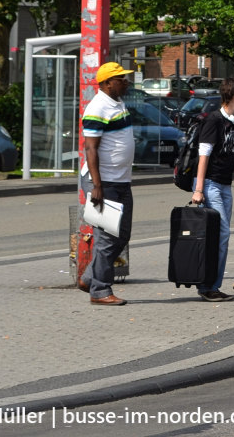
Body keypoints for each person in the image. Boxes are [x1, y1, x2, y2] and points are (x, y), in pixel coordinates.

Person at [189, 78, 234, 302]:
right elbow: (203, 155)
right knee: (222, 233)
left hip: (225, 185)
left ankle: (212, 286)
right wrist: (198, 189)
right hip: (210, 184)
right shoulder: (214, 120)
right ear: (232, 94)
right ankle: (207, 286)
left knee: (221, 235)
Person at [81, 62, 136, 306]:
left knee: (122, 235)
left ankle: (90, 278)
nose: (125, 81)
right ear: (106, 83)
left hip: (121, 180)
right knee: (107, 238)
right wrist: (97, 185)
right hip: (103, 182)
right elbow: (90, 148)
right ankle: (100, 290)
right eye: (120, 78)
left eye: (125, 77)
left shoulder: (117, 102)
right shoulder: (97, 107)